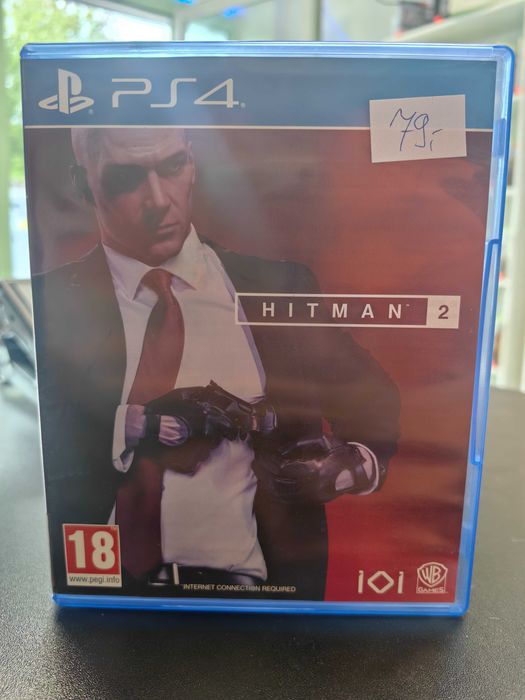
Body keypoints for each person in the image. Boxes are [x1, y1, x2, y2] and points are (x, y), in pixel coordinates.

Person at [33, 127, 400, 600]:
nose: (158, 200)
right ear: (84, 183)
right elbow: (49, 438)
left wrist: (353, 466)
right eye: (126, 177)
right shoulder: (51, 301)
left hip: (259, 587)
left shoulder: (277, 288)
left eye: (171, 166)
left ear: (192, 164)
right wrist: (130, 424)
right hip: (98, 583)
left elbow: (370, 396)